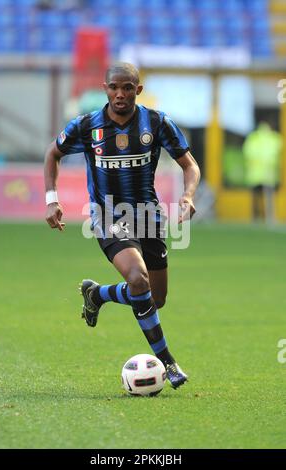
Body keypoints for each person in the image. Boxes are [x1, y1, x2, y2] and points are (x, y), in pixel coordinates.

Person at [44, 62, 200, 389]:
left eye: (127, 87)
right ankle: (169, 363)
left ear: (137, 90)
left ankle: (97, 294)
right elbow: (53, 153)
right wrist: (51, 199)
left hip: (148, 216)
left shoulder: (156, 123)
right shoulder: (87, 126)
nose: (120, 94)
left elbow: (189, 165)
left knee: (155, 298)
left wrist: (187, 196)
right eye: (114, 87)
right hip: (107, 216)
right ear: (105, 88)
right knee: (138, 278)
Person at [242, 122, 282, 224]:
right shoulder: (273, 137)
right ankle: (269, 218)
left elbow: (247, 151)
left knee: (257, 198)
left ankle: (256, 218)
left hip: (255, 174)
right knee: (268, 198)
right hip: (268, 173)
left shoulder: (254, 138)